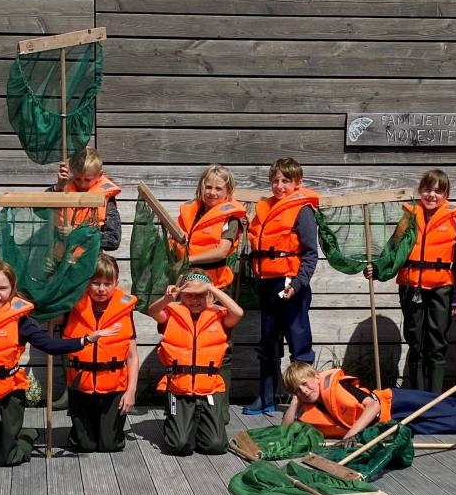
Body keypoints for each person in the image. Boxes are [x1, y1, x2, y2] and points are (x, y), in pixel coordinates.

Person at [0, 261, 113, 473]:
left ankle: (26, 435)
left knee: (7, 458)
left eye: (2, 288)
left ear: (11, 290)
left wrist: (86, 340)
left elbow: (49, 345)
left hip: (9, 389)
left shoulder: (19, 320)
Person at [244, 157, 320, 415]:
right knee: (267, 341)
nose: (279, 186)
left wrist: (298, 284)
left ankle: (306, 401)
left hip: (291, 285)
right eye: (275, 181)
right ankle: (266, 398)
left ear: (298, 182)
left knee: (299, 344)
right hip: (267, 282)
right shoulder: (264, 209)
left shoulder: (303, 210)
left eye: (285, 181)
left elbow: (311, 254)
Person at [381, 168, 456, 394]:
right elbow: (392, 250)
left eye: (438, 191)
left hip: (441, 288)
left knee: (436, 343)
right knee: (415, 341)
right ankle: (417, 397)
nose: (432, 195)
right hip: (410, 286)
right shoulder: (408, 218)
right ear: (420, 191)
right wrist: (377, 269)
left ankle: (434, 399)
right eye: (427, 189)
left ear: (446, 195)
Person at [148, 272, 244, 456]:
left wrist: (210, 287)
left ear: (210, 296)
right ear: (182, 296)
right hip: (179, 388)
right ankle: (178, 422)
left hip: (210, 389)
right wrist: (169, 298)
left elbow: (238, 313)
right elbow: (153, 311)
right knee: (179, 446)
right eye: (189, 295)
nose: (195, 300)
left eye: (200, 295)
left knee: (215, 446)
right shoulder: (170, 315)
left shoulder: (220, 316)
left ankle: (198, 425)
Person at [60, 254, 140, 453]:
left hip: (113, 389)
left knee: (109, 445)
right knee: (85, 446)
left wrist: (131, 391)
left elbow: (132, 356)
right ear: (87, 282)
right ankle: (79, 431)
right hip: (81, 387)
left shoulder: (125, 309)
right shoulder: (71, 306)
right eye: (95, 283)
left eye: (107, 283)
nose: (101, 289)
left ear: (116, 283)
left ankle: (105, 428)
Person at [281, 361, 456, 444]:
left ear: (316, 376)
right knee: (449, 425)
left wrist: (351, 434)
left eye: (305, 384)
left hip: (395, 403)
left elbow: (373, 406)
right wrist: (295, 400)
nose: (304, 391)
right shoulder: (308, 409)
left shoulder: (338, 386)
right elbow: (284, 431)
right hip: (388, 426)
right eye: (297, 390)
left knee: (447, 406)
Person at [176, 164, 248, 291]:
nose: (212, 192)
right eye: (208, 187)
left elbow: (221, 252)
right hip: (187, 280)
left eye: (218, 189)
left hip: (213, 285)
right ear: (202, 187)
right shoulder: (192, 213)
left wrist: (188, 260)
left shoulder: (230, 219)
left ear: (228, 191)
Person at [52, 145, 123, 252]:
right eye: (78, 179)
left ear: (100, 175)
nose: (82, 184)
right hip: (62, 259)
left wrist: (77, 234)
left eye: (87, 180)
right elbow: (39, 212)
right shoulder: (63, 188)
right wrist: (57, 188)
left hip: (91, 261)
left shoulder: (107, 200)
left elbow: (113, 240)